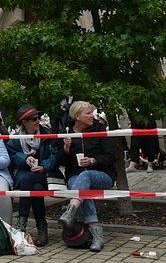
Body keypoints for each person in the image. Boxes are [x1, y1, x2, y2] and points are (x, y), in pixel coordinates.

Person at [58, 100, 117, 252]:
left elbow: (111, 156)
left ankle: (70, 211)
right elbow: (60, 162)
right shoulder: (67, 132)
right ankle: (97, 235)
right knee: (83, 190)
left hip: (103, 174)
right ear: (77, 116)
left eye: (92, 112)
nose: (92, 116)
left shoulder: (100, 129)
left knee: (86, 176)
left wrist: (93, 160)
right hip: (75, 175)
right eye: (88, 113)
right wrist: (66, 149)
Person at [6, 104, 58, 246]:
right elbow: (10, 155)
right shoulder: (16, 138)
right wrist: (24, 158)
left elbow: (55, 156)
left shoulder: (47, 134)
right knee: (35, 188)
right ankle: (42, 228)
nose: (37, 121)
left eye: (38, 118)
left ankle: (21, 224)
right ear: (24, 122)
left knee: (29, 180)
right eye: (34, 119)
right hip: (24, 175)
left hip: (45, 175)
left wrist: (44, 166)